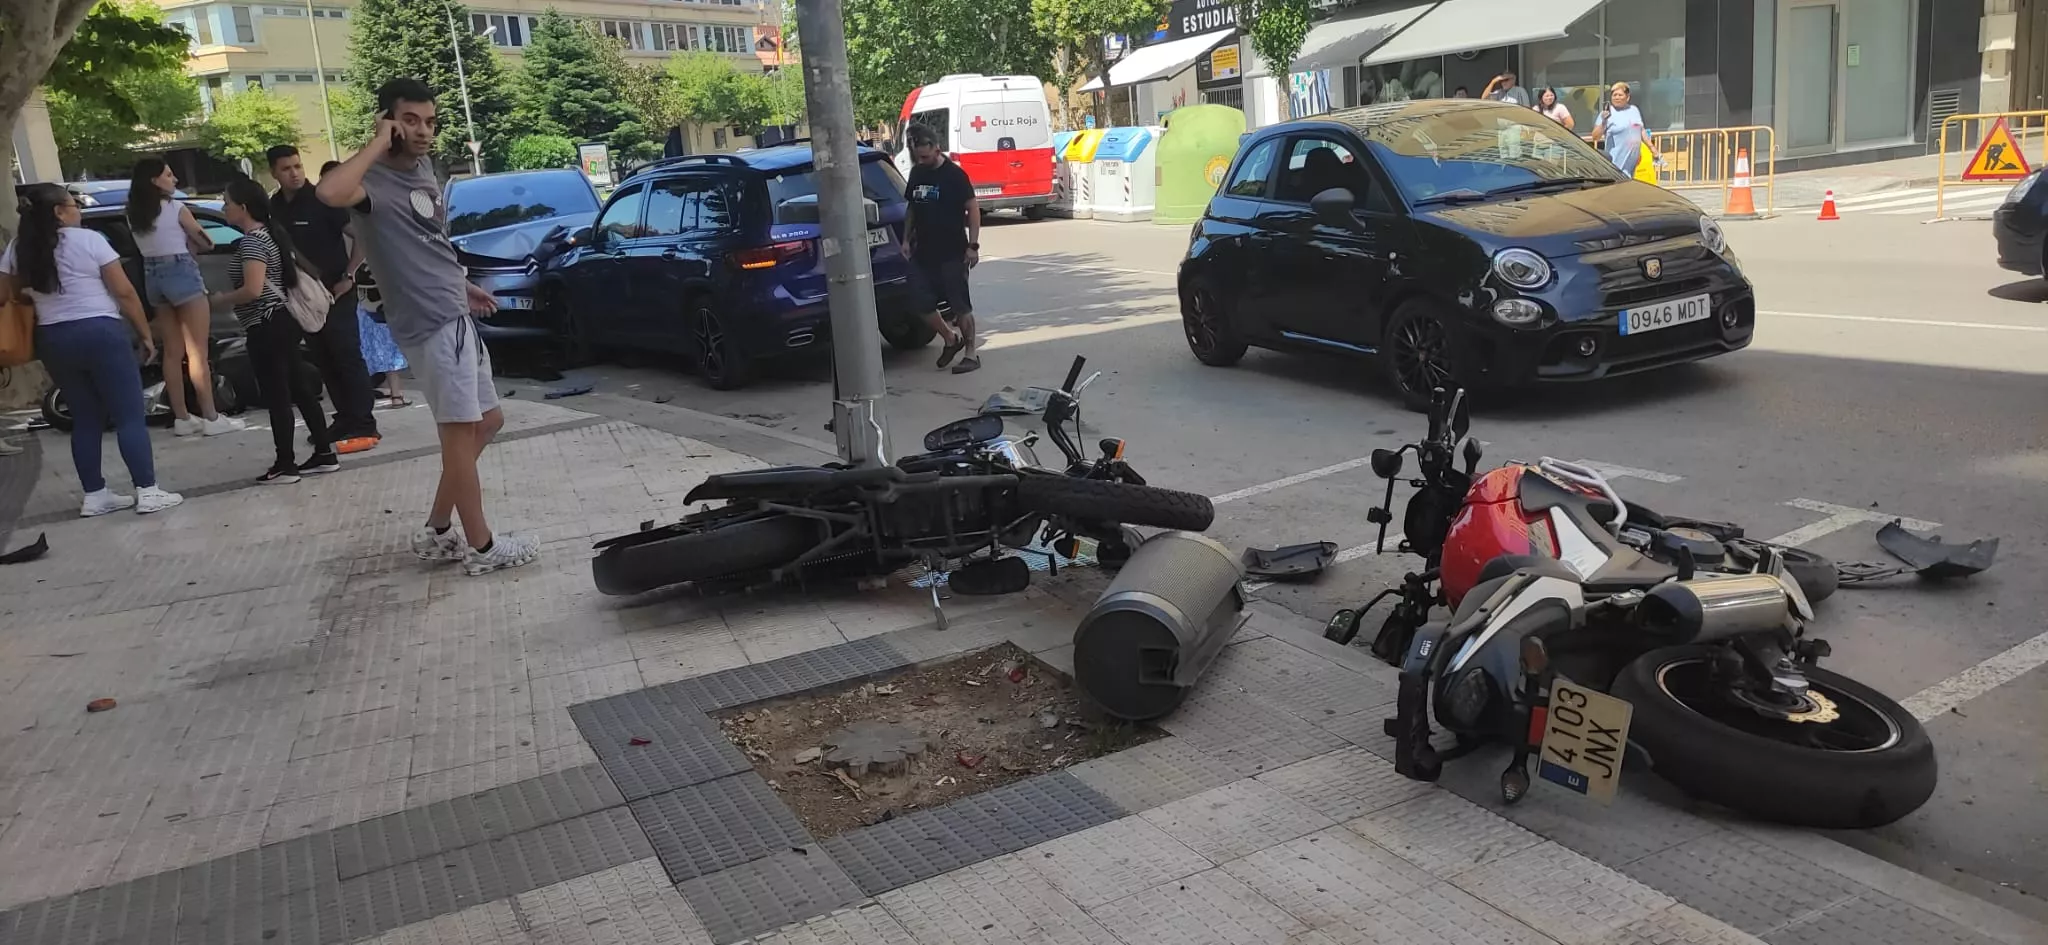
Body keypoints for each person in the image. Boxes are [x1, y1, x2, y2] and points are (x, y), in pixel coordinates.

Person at [316, 77, 539, 576]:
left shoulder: (423, 170)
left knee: (487, 423)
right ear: (388, 121)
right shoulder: (369, 183)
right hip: (430, 323)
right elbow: (328, 191)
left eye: (430, 122)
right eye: (410, 120)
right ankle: (482, 549)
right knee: (459, 434)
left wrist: (461, 286)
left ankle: (438, 530)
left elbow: (426, 242)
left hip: (452, 311)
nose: (423, 132)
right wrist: (376, 141)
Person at [1, 184, 183, 515]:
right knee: (129, 414)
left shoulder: (17, 249)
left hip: (52, 337)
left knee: (85, 417)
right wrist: (144, 333)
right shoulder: (89, 241)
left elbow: (8, 293)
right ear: (58, 211)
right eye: (74, 205)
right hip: (100, 332)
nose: (78, 211)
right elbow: (125, 292)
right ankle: (148, 490)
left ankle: (95, 494)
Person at [212, 178, 338, 484]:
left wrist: (219, 300)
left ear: (243, 208)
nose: (223, 207)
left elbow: (253, 290)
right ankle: (324, 452)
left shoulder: (253, 241)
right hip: (283, 322)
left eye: (227, 202)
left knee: (278, 395)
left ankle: (285, 463)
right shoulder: (271, 234)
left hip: (266, 324)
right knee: (300, 390)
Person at [270, 144, 380, 452]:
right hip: (304, 296)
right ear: (274, 173)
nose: (294, 173)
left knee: (346, 354)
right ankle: (344, 417)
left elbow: (363, 236)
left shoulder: (321, 200)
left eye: (297, 166)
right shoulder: (275, 206)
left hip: (336, 290)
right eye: (286, 168)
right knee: (323, 357)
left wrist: (349, 276)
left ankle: (364, 421)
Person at [125, 158, 243, 437]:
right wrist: (192, 244)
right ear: (155, 180)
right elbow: (207, 241)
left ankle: (182, 417)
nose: (174, 178)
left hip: (152, 274)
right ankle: (211, 417)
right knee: (197, 351)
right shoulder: (176, 208)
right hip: (181, 272)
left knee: (172, 350)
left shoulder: (133, 212)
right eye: (168, 174)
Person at [901, 123, 983, 375]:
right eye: (917, 156)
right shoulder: (917, 173)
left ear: (937, 148)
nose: (921, 160)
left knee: (960, 306)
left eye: (925, 155)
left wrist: (973, 246)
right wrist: (906, 240)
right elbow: (912, 209)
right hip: (923, 252)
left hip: (952, 252)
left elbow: (973, 209)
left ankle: (970, 354)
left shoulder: (954, 176)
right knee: (919, 302)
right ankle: (950, 338)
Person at [1592, 82, 1647, 176]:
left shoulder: (1634, 110)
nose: (1617, 97)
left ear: (1627, 97)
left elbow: (1641, 130)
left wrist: (1652, 149)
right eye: (1614, 95)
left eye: (1620, 95)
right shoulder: (1606, 113)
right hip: (1615, 164)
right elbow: (1595, 136)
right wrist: (1604, 122)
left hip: (1633, 164)